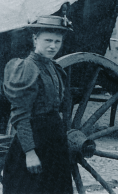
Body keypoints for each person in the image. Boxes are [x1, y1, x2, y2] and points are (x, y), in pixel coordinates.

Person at [2, 15, 73, 194]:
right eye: (48, 40)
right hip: (34, 142)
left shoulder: (54, 68)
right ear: (35, 39)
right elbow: (21, 115)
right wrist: (30, 153)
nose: (53, 46)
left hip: (55, 143)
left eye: (58, 41)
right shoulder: (26, 68)